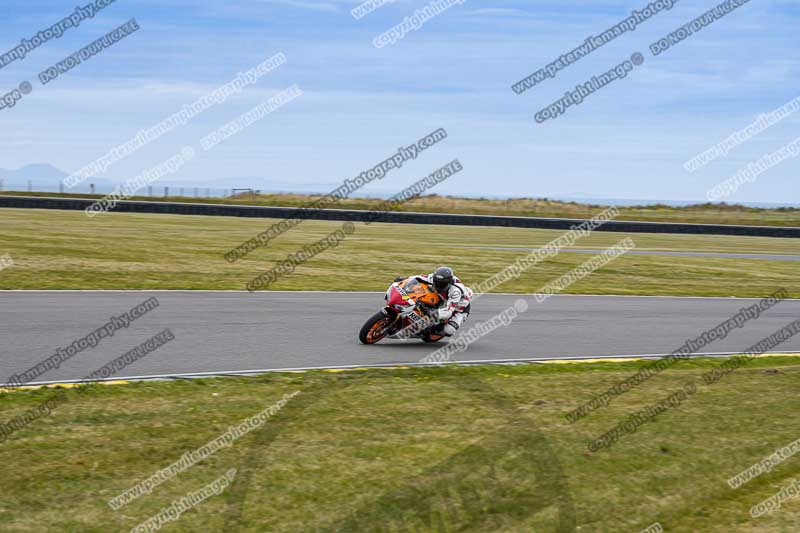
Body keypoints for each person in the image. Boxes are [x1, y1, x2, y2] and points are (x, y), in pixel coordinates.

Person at [420, 266, 473, 337]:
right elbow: (419, 278)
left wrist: (431, 313)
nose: (438, 286)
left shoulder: (455, 291)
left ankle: (434, 329)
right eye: (437, 282)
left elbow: (448, 312)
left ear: (449, 282)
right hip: (444, 298)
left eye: (442, 284)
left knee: (450, 330)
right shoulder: (433, 277)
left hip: (459, 308)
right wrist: (403, 279)